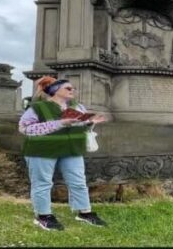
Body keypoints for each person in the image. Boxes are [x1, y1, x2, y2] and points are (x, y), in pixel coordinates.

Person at [18, 76, 108, 231]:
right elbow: (25, 128)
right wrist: (60, 123)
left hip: (71, 149)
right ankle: (43, 216)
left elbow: (80, 127)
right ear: (55, 91)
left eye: (73, 88)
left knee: (78, 181)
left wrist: (91, 122)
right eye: (68, 88)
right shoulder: (38, 107)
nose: (72, 90)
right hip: (42, 150)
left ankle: (84, 212)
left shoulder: (78, 107)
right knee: (43, 183)